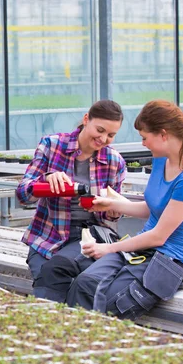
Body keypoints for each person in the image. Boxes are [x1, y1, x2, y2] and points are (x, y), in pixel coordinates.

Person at [66, 99, 183, 320]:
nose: (143, 144)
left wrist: (109, 248)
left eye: (144, 138)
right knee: (84, 284)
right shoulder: (162, 160)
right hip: (143, 251)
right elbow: (153, 208)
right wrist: (112, 203)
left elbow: (159, 236)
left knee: (108, 307)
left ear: (163, 134)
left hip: (170, 260)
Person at [15, 100, 126, 301]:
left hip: (87, 237)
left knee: (54, 273)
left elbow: (109, 215)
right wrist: (46, 180)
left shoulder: (114, 161)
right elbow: (23, 195)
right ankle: (70, 326)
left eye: (111, 135)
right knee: (48, 277)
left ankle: (54, 326)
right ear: (86, 119)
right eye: (99, 130)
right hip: (47, 236)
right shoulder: (51, 145)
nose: (103, 139)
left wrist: (113, 209)